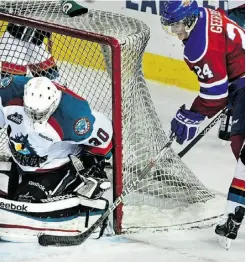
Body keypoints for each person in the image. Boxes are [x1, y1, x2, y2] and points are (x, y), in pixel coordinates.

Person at [160, 0, 245, 242]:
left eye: (177, 26)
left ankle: (233, 214)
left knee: (241, 148)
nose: (175, 33)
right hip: (241, 79)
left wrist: (192, 114)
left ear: (188, 20)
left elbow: (215, 97)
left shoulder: (198, 46)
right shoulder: (206, 14)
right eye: (170, 27)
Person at [0, 75, 113, 242]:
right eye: (29, 111)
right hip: (19, 163)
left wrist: (94, 167)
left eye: (39, 113)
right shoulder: (8, 92)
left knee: (24, 200)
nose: (33, 117)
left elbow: (105, 138)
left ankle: (70, 187)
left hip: (56, 168)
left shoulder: (74, 118)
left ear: (52, 105)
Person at [0, 0, 88, 81]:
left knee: (54, 84)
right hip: (13, 43)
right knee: (12, 88)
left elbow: (71, 8)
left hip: (35, 42)